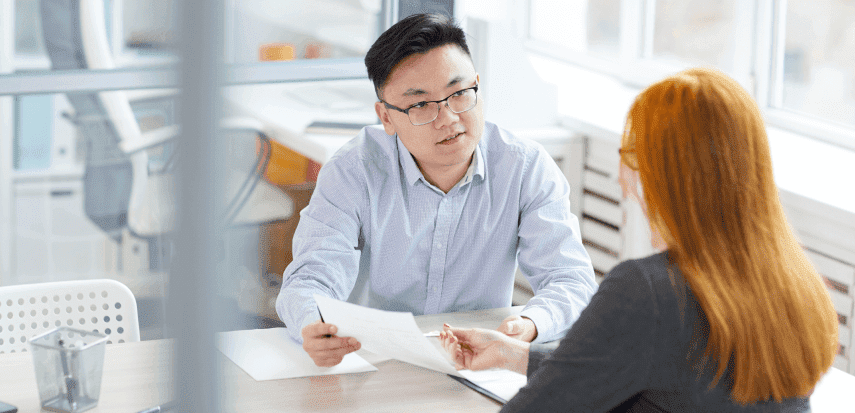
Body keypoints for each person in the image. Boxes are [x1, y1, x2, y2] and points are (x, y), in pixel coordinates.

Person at [440, 67, 839, 411]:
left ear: (667, 174)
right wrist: (518, 356)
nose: (622, 177)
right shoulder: (800, 285)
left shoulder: (647, 292)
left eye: (632, 155)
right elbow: (670, 377)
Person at [275, 13, 597, 367]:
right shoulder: (353, 170)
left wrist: (531, 325)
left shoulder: (526, 167)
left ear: (477, 85)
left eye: (459, 93)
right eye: (420, 105)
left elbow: (571, 279)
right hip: (372, 360)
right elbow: (310, 278)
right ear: (386, 117)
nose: (448, 118)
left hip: (477, 361)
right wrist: (314, 324)